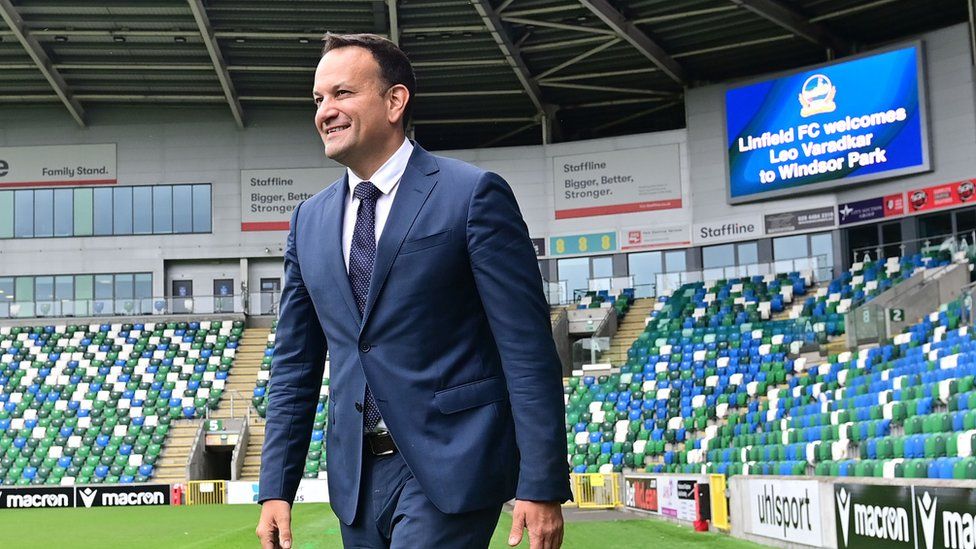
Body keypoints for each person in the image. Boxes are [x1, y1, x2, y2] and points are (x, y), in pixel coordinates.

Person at [255, 33, 571, 549]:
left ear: (395, 101)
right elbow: (295, 363)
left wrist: (542, 482)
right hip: (355, 481)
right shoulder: (307, 221)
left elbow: (527, 350)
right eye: (318, 100)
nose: (325, 112)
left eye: (341, 94)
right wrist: (276, 488)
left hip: (451, 466)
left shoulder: (471, 195)